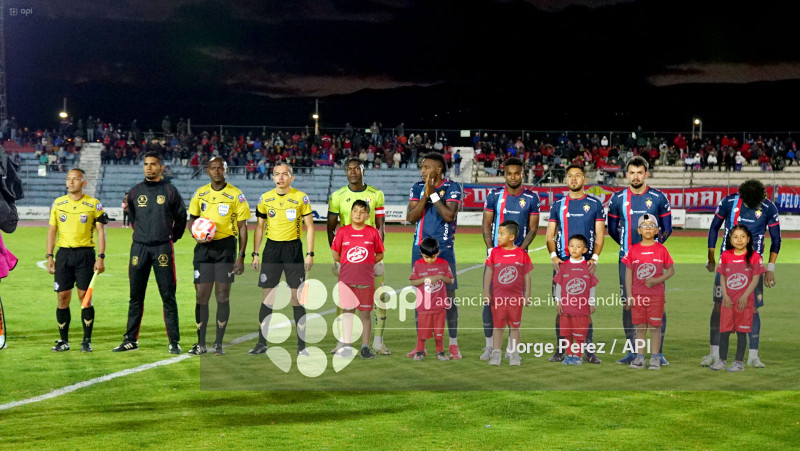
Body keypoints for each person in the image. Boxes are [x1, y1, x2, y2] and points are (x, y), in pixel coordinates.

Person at [113, 152, 187, 354]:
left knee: (168, 296)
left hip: (162, 248)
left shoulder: (170, 191)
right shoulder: (135, 192)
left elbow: (181, 218)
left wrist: (172, 237)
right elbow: (133, 218)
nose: (149, 167)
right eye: (146, 164)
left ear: (161, 168)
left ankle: (173, 341)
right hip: (139, 248)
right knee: (135, 297)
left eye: (153, 164)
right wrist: (143, 235)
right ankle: (130, 339)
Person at [702, 179, 780, 368]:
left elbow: (776, 239)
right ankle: (714, 353)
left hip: (753, 268)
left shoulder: (769, 208)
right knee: (719, 306)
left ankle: (753, 356)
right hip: (727, 266)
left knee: (752, 309)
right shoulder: (729, 202)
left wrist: (770, 268)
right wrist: (711, 256)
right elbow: (714, 227)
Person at [607, 156, 673, 365]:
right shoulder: (617, 200)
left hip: (653, 263)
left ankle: (658, 353)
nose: (636, 176)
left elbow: (667, 228)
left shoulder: (658, 198)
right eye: (632, 172)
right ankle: (633, 351)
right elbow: (611, 230)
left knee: (657, 305)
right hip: (627, 262)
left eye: (639, 172)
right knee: (628, 304)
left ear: (646, 174)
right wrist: (631, 251)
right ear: (626, 174)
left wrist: (652, 250)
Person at [248, 162, 315, 356]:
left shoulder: (301, 198)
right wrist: (255, 252)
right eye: (277, 174)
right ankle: (262, 343)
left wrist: (310, 253)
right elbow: (259, 227)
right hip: (271, 250)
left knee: (297, 299)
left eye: (285, 174)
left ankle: (302, 347)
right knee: (268, 298)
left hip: (293, 250)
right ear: (272, 177)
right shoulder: (265, 199)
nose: (280, 177)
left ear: (291, 178)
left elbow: (310, 226)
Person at [186, 158, 250, 356]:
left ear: (226, 170)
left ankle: (219, 343)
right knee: (201, 296)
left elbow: (242, 227)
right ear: (207, 171)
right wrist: (196, 233)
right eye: (213, 168)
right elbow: (192, 220)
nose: (216, 171)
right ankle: (201, 343)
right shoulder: (200, 193)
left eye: (220, 168)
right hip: (204, 250)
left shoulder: (236, 195)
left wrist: (240, 257)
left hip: (225, 249)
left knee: (222, 296)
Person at [327, 158, 390, 355]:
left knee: (380, 297)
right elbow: (330, 227)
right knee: (344, 301)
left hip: (370, 255)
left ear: (363, 170)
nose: (352, 172)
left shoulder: (376, 194)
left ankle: (377, 342)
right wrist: (337, 256)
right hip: (348, 257)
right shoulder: (337, 196)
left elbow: (380, 226)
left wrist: (374, 254)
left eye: (356, 168)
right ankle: (342, 341)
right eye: (349, 169)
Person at [480, 158, 540, 360]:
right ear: (504, 174)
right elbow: (487, 225)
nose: (513, 177)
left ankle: (511, 351)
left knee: (514, 306)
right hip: (495, 260)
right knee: (490, 304)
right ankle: (490, 347)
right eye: (509, 173)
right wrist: (490, 250)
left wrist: (519, 253)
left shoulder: (531, 198)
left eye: (517, 173)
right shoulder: (494, 196)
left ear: (522, 174)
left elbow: (533, 229)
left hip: (518, 264)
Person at [546, 164, 605, 363]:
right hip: (563, 264)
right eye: (570, 176)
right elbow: (549, 235)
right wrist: (554, 255)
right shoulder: (558, 205)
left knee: (585, 310)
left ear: (584, 180)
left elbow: (599, 235)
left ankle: (587, 350)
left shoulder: (595, 205)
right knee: (561, 308)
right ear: (566, 179)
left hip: (585, 265)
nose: (573, 179)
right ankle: (561, 349)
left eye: (577, 176)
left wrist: (594, 259)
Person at [406, 152, 463, 359]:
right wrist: (424, 195)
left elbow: (449, 215)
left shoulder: (452, 188)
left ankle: (453, 344)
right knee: (420, 298)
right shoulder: (416, 187)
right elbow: (411, 218)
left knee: (448, 297)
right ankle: (420, 345)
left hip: (444, 250)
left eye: (427, 167)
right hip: (419, 249)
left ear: (438, 169)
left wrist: (433, 195)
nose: (422, 171)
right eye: (422, 167)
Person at [45, 168, 108, 352]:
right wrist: (49, 256)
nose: (71, 182)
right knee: (62, 297)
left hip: (85, 255)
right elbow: (51, 231)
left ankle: (86, 340)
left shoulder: (93, 204)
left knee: (84, 297)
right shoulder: (58, 204)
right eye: (68, 179)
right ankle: (63, 341)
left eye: (75, 179)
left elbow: (101, 232)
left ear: (84, 182)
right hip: (63, 254)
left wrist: (101, 257)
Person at [331, 200, 384, 359]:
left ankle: (365, 347)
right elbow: (335, 253)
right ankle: (347, 347)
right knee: (347, 314)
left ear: (368, 215)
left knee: (365, 315)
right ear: (351, 213)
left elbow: (380, 254)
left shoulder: (373, 232)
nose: (358, 214)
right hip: (347, 280)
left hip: (366, 281)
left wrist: (366, 264)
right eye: (355, 211)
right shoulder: (343, 232)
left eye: (362, 212)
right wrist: (349, 264)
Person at [622, 214, 675, 370]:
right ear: (639, 230)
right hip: (638, 296)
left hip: (656, 296)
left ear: (657, 230)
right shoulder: (633, 250)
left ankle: (654, 358)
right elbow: (628, 274)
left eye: (651, 225)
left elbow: (671, 270)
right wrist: (629, 296)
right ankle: (639, 358)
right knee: (640, 328)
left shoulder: (661, 249)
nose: (648, 228)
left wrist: (657, 281)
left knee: (655, 327)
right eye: (644, 226)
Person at [483, 220, 532, 366]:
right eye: (498, 233)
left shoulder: (521, 254)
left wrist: (527, 295)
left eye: (501, 234)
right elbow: (488, 274)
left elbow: (527, 276)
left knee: (515, 327)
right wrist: (486, 293)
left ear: (511, 237)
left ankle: (514, 354)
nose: (497, 237)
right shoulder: (494, 253)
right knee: (498, 327)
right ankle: (496, 354)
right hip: (498, 299)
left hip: (516, 299)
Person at [552, 234, 598, 365]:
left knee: (579, 332)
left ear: (584, 250)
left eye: (578, 246)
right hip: (566, 306)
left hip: (581, 307)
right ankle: (569, 355)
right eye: (571, 246)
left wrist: (591, 303)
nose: (574, 249)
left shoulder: (588, 266)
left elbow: (592, 286)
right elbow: (559, 285)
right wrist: (558, 301)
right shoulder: (564, 266)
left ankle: (577, 356)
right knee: (566, 333)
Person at [408, 238, 454, 361]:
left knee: (439, 332)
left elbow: (451, 280)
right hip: (424, 306)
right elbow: (413, 282)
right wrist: (425, 279)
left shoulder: (443, 263)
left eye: (432, 257)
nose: (429, 260)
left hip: (440, 305)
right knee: (423, 331)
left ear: (438, 252)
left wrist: (439, 277)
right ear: (422, 254)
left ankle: (440, 352)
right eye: (426, 257)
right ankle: (420, 351)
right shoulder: (418, 264)